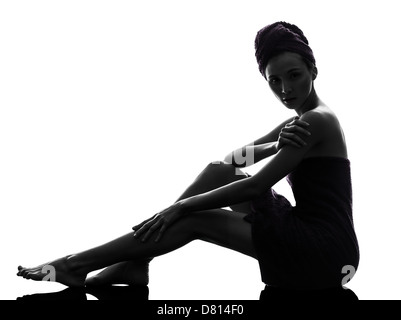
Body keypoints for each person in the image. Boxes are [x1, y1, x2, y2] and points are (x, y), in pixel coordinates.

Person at [17, 21, 359, 292]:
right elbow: (234, 159)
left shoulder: (317, 120)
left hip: (323, 253)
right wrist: (273, 145)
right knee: (219, 169)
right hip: (310, 234)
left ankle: (77, 265)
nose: (285, 89)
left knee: (195, 219)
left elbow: (253, 188)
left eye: (295, 75)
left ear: (314, 70)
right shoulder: (300, 121)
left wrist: (179, 206)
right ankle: (136, 261)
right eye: (275, 80)